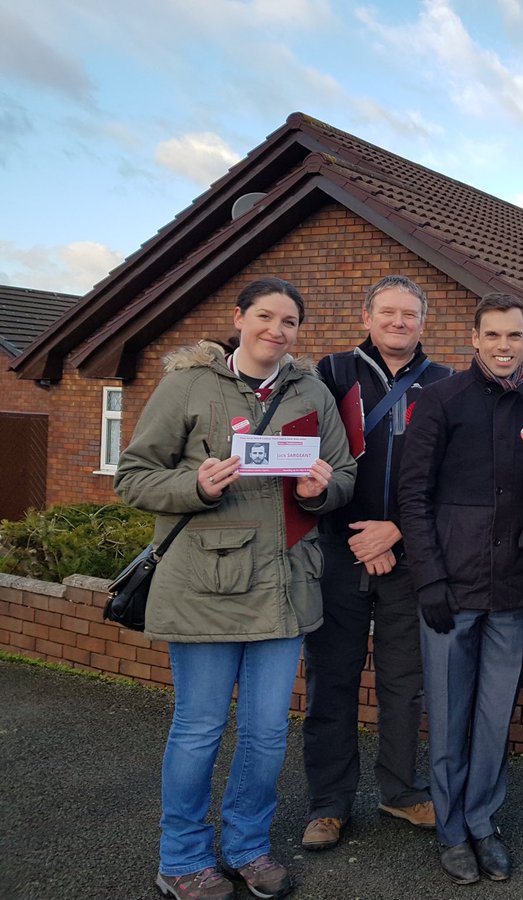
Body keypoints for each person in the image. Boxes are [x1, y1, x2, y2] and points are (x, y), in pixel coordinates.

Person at [115, 276, 357, 900]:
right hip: (205, 585)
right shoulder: (188, 385)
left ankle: (248, 847)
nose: (277, 331)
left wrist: (321, 489)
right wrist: (195, 485)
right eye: (266, 317)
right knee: (198, 729)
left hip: (283, 586)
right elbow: (134, 477)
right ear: (239, 318)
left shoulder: (310, 390)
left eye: (289, 322)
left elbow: (343, 472)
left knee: (267, 732)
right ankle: (182, 858)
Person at [395, 292, 523, 886]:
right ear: (474, 338)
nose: (504, 346)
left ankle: (482, 820)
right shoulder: (440, 401)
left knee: (493, 719)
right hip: (450, 593)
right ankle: (451, 829)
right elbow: (411, 498)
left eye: (514, 336)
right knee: (448, 715)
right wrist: (430, 578)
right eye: (493, 335)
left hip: (512, 592)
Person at [300, 275, 453, 851]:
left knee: (402, 683)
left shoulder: (444, 384)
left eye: (408, 314)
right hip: (338, 551)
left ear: (422, 322)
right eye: (387, 312)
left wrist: (398, 533)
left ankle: (401, 790)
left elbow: (452, 476)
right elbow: (310, 460)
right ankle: (328, 803)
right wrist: (360, 534)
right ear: (366, 315)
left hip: (409, 554)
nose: (397, 322)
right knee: (331, 680)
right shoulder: (330, 374)